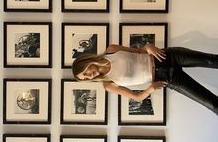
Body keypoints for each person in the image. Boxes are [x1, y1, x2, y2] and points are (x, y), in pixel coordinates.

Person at [72, 44, 218, 115]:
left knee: (213, 61)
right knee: (211, 103)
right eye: (85, 78)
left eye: (85, 73)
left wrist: (148, 46)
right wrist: (150, 89)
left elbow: (139, 51)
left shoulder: (111, 50)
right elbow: (136, 97)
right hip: (168, 78)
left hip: (168, 56)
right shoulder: (109, 84)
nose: (89, 77)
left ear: (86, 63)